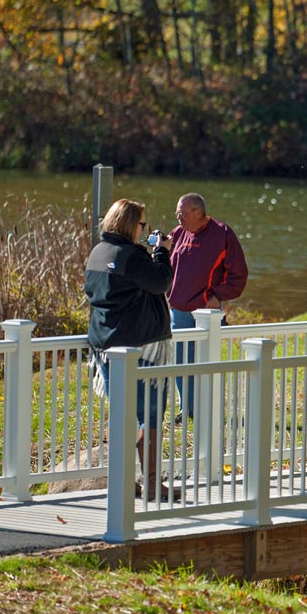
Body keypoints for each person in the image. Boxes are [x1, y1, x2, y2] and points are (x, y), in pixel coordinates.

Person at [85, 198, 177, 500]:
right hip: (142, 348)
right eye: (142, 225)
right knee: (148, 416)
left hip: (106, 347)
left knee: (121, 414)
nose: (144, 230)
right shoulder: (131, 256)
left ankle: (123, 482)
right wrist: (162, 250)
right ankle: (151, 484)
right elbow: (161, 281)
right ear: (129, 225)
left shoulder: (98, 253)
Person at [168, 193, 248, 421]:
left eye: (181, 213)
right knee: (181, 362)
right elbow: (164, 267)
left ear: (197, 212)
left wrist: (218, 295)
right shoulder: (178, 233)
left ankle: (207, 407)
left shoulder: (222, 234)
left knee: (205, 362)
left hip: (206, 313)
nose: (177, 217)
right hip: (178, 311)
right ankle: (188, 410)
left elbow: (238, 276)